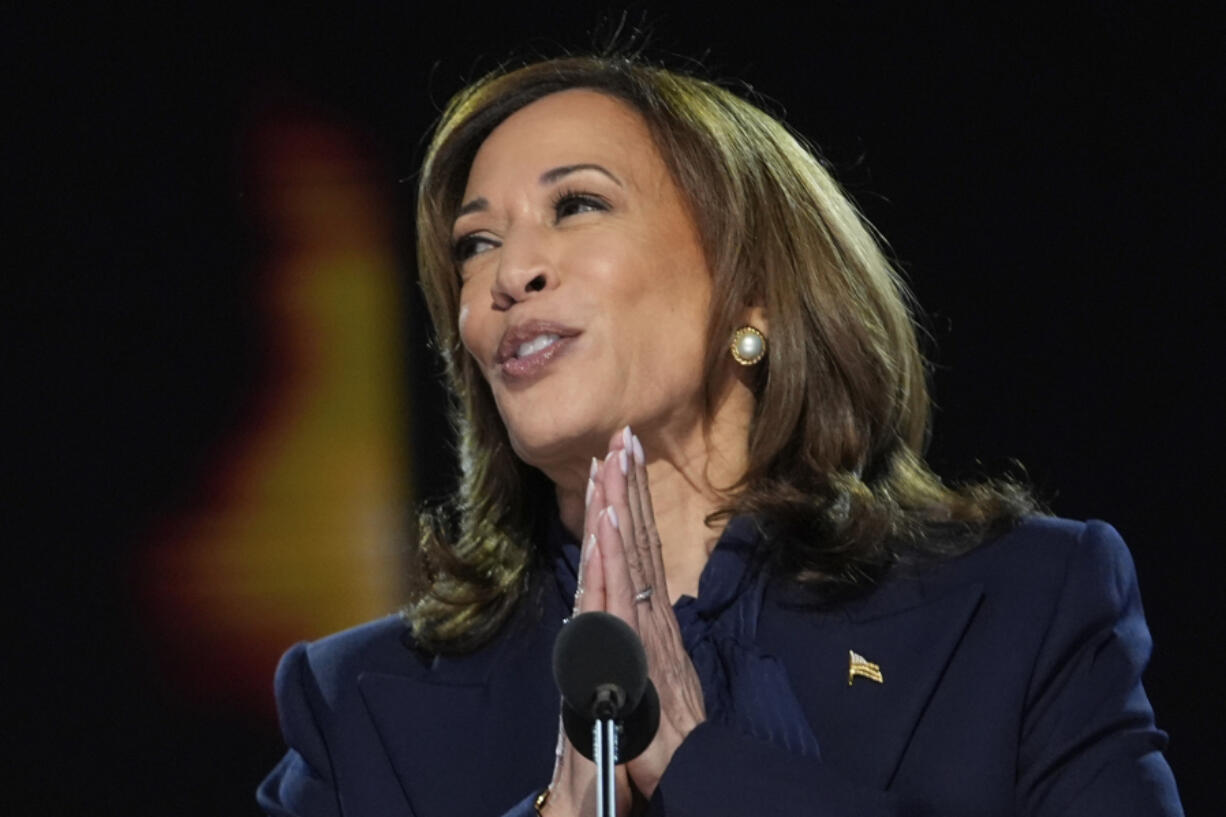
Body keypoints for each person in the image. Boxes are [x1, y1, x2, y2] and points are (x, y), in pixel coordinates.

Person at [257, 55, 1183, 816]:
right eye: (475, 243)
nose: (510, 273)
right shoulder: (360, 704)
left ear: (753, 287)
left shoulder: (1024, 607)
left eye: (576, 204)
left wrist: (703, 766)